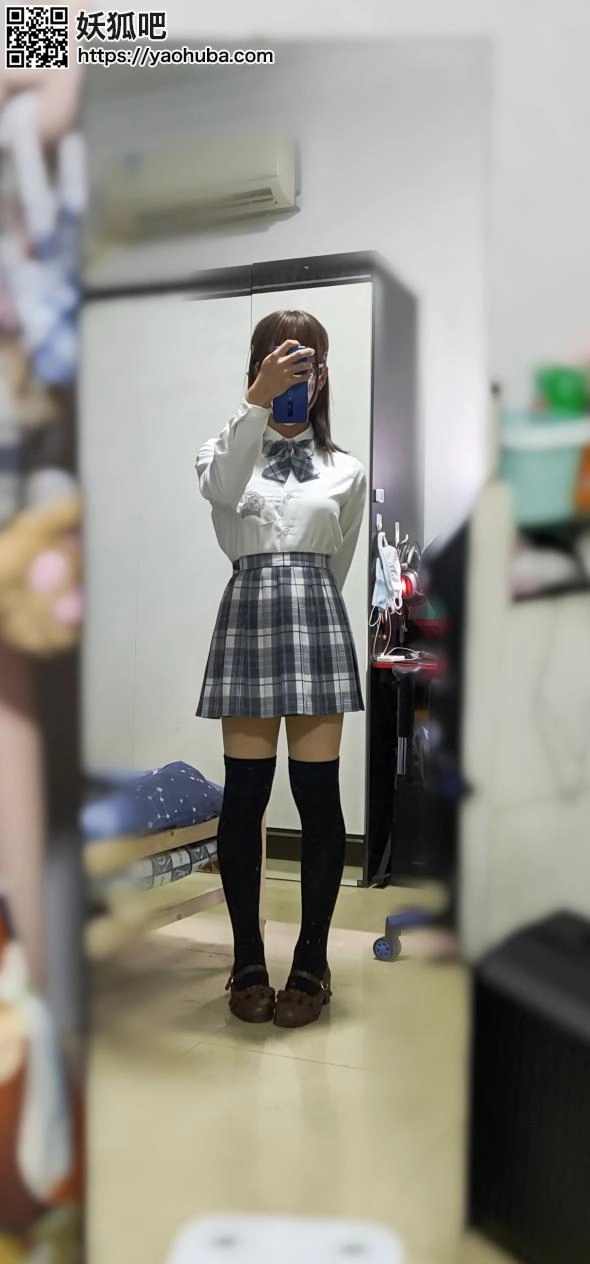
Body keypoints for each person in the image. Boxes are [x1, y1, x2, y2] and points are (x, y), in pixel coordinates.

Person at [196, 309, 367, 1028]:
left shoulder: (346, 469)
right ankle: (246, 960)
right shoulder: (224, 448)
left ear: (322, 375)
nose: (295, 369)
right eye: (278, 357)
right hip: (248, 611)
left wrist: (311, 600)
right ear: (257, 366)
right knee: (245, 796)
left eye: (307, 360)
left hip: (315, 613)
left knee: (318, 797)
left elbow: (341, 557)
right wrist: (255, 404)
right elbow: (221, 490)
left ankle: (312, 960)